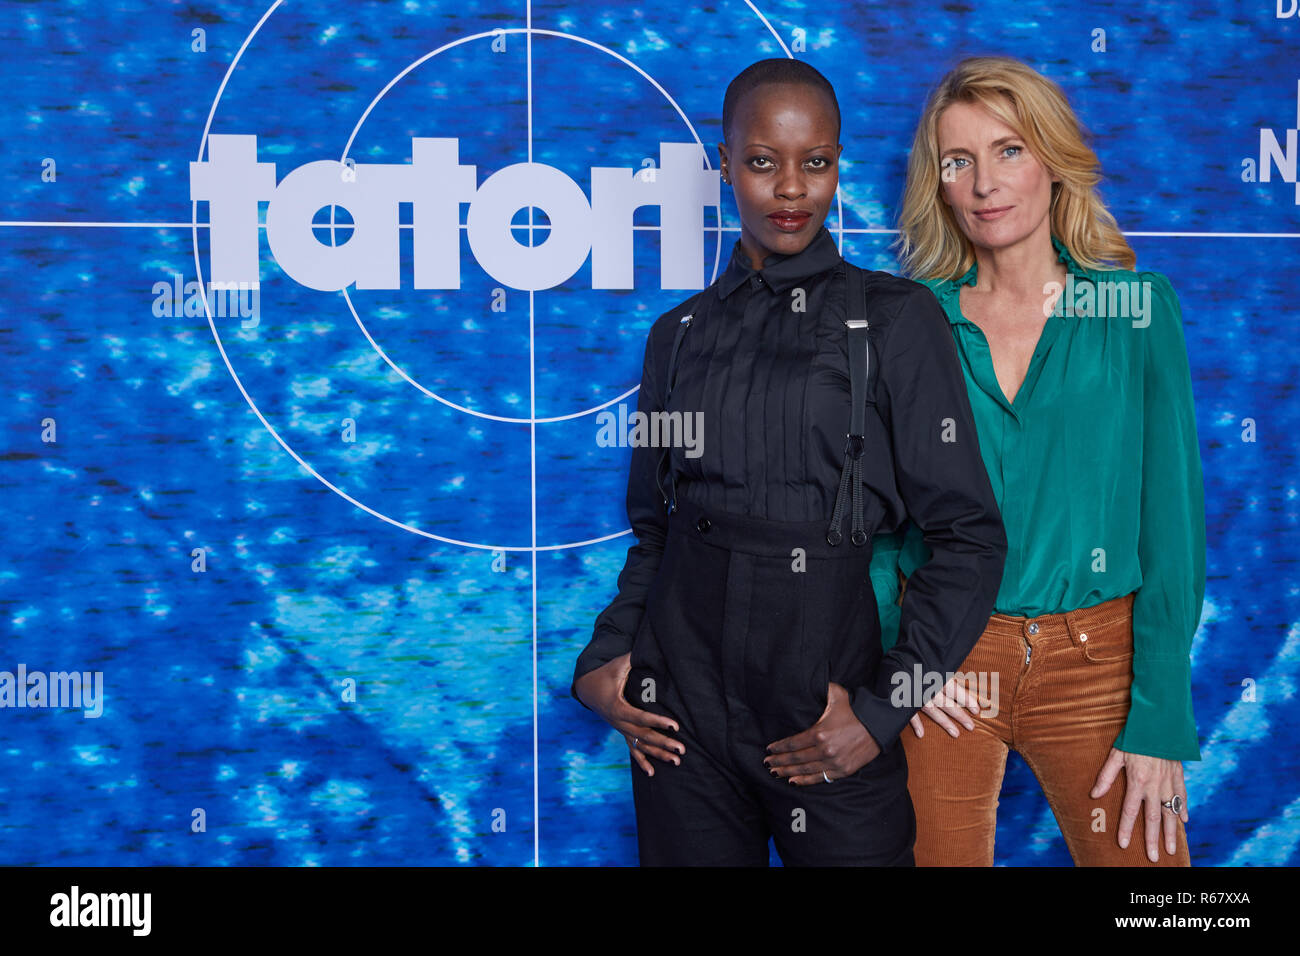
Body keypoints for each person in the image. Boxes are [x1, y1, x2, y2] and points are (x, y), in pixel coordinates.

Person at [571, 58, 1007, 866]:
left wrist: (882, 713)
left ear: (839, 163)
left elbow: (970, 538)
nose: (792, 189)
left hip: (824, 709)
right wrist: (603, 662)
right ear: (725, 162)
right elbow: (655, 531)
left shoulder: (895, 319)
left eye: (817, 163)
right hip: (682, 722)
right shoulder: (679, 335)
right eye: (763, 162)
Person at [871, 55, 1206, 866]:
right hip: (947, 660)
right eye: (959, 161)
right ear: (939, 185)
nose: (985, 182)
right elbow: (871, 522)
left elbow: (1174, 525)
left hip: (1101, 665)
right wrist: (900, 657)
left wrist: (1159, 718)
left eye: (1009, 149)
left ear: (1052, 160)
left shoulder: (1134, 309)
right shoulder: (909, 324)